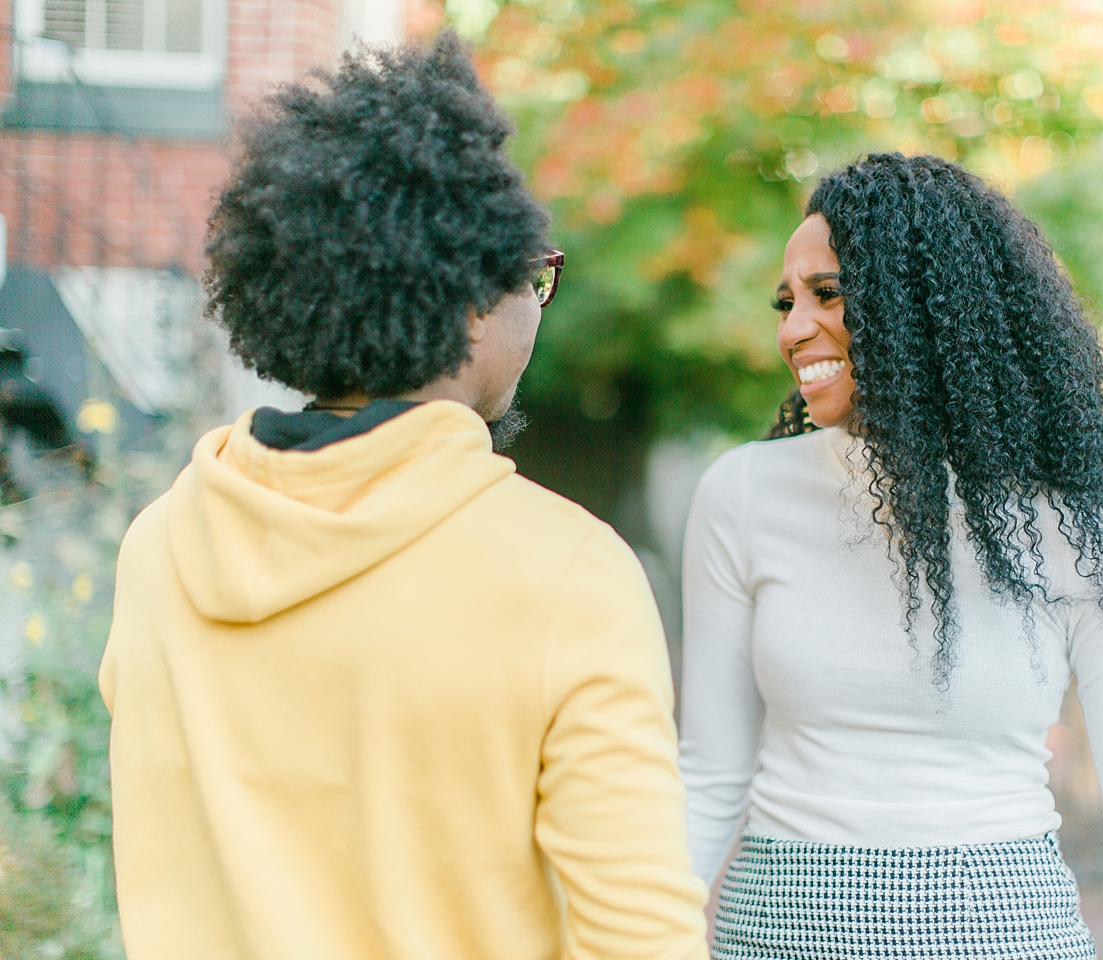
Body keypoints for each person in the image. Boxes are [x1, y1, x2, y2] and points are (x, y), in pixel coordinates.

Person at [99, 34, 709, 960]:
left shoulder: (160, 548)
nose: (538, 306)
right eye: (534, 275)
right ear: (471, 297)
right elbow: (641, 941)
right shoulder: (566, 575)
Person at [679, 153, 1103, 960]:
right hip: (778, 931)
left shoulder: (1085, 525)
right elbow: (708, 777)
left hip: (1004, 932)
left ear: (919, 307)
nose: (790, 329)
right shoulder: (742, 496)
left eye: (828, 294)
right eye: (785, 301)